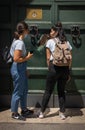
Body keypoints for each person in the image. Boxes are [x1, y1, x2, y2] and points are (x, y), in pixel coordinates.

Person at [38, 25, 72, 120]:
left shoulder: (50, 41)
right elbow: (70, 59)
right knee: (61, 91)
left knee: (48, 90)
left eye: (52, 31)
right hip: (65, 69)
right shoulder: (67, 43)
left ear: (56, 32)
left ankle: (42, 112)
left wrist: (50, 69)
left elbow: (48, 58)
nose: (50, 32)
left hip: (54, 68)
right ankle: (62, 113)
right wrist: (68, 72)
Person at [10, 21, 34, 121]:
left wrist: (26, 69)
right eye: (27, 30)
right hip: (18, 68)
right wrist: (28, 57)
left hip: (21, 68)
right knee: (18, 92)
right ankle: (14, 113)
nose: (28, 32)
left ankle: (24, 110)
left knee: (24, 90)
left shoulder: (17, 40)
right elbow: (16, 59)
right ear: (24, 31)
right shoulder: (19, 42)